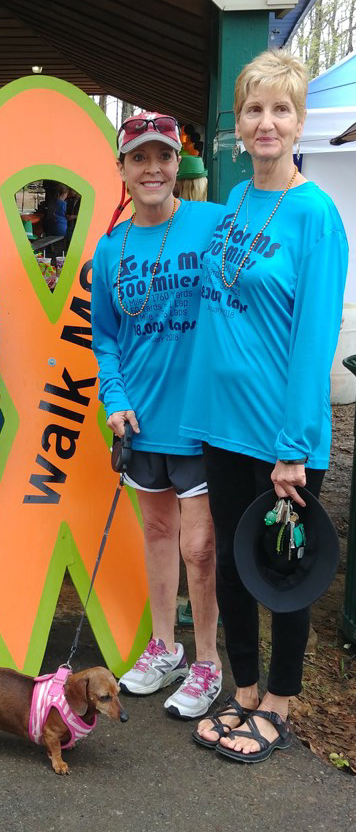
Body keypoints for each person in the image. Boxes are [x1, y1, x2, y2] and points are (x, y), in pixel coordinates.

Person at [183, 50, 348, 762]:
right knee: (230, 564)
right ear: (239, 122)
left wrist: (293, 447)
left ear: (299, 121)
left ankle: (279, 701)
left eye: (281, 109)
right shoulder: (236, 200)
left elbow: (314, 343)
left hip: (281, 437)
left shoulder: (316, 216)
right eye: (255, 109)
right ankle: (245, 689)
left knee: (282, 572)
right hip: (221, 427)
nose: (267, 123)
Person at [91, 113, 224, 719]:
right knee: (157, 533)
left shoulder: (212, 223)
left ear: (178, 165)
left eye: (163, 157)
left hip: (200, 418)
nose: (153, 169)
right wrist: (114, 397)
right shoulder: (111, 248)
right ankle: (164, 647)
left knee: (200, 548)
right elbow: (105, 337)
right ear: (122, 169)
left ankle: (208, 664)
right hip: (140, 421)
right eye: (139, 158)